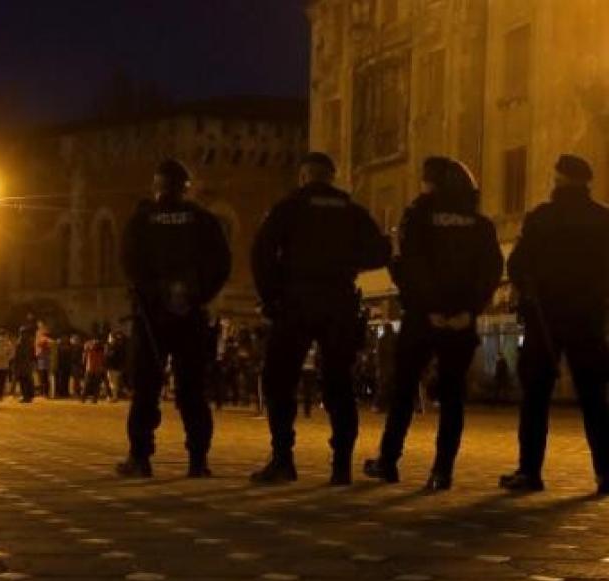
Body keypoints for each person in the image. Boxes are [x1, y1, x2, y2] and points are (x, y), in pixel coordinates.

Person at [362, 157, 503, 490]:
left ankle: (388, 460)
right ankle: (442, 471)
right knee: (453, 397)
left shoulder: (418, 216)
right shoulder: (480, 224)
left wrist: (428, 308)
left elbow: (409, 265)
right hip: (461, 321)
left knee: (404, 390)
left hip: (423, 318)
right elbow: (491, 271)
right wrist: (469, 310)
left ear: (433, 183)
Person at [250, 152, 391, 485]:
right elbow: (381, 251)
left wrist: (271, 296)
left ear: (303, 177)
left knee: (279, 380)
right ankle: (341, 466)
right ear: (332, 178)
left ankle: (283, 459)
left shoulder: (288, 209)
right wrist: (345, 262)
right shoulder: (352, 212)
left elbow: (261, 253)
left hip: (295, 303)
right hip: (339, 302)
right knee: (339, 383)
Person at [500, 154, 609, 494]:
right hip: (588, 319)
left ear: (558, 179)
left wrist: (532, 290)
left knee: (535, 398)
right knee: (595, 400)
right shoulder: (603, 218)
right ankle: (606, 473)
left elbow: (516, 265)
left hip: (544, 319)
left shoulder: (541, 218)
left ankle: (529, 472)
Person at [117, 158, 231, 478]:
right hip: (191, 316)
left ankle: (139, 458)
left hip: (152, 316)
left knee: (146, 389)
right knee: (193, 390)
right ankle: (198, 460)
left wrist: (155, 295)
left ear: (157, 186)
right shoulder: (203, 219)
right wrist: (196, 296)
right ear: (186, 188)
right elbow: (222, 264)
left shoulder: (142, 220)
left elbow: (129, 265)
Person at [0, 329, 15, 402]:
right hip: (4, 365)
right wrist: (8, 358)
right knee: (1, 381)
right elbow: (12, 354)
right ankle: (0, 396)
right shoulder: (8, 343)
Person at [82, 336, 107, 403]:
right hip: (91, 368)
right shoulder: (91, 349)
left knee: (92, 385)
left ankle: (89, 398)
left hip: (94, 369)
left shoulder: (98, 350)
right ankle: (87, 398)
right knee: (89, 385)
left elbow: (103, 360)